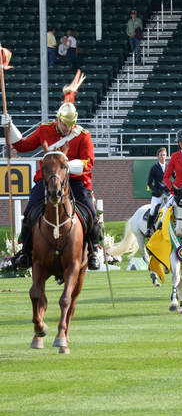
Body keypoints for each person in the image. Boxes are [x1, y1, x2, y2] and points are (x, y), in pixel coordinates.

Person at [1, 72, 102, 271]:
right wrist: (9, 125)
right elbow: (21, 145)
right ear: (58, 120)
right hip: (47, 181)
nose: (68, 128)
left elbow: (88, 163)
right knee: (30, 212)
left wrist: (65, 165)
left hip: (74, 181)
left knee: (90, 212)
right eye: (65, 124)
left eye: (71, 124)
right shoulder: (45, 129)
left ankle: (93, 250)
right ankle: (26, 252)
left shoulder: (83, 135)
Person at [145, 147, 169, 238]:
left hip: (167, 193)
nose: (163, 157)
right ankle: (149, 229)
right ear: (157, 156)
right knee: (152, 210)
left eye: (164, 155)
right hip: (157, 194)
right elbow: (149, 183)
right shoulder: (154, 168)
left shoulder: (169, 166)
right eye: (161, 155)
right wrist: (156, 190)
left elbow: (175, 177)